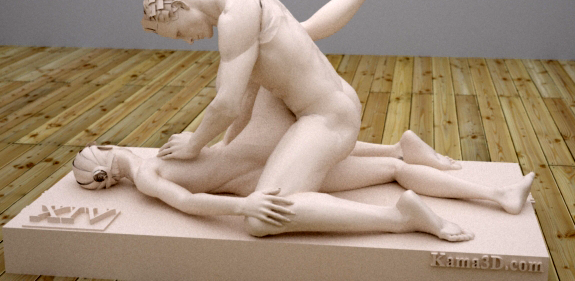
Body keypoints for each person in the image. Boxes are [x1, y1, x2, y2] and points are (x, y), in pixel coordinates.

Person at [128, 0, 534, 240]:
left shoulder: (235, 18)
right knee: (381, 168)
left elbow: (227, 104)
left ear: (180, 6)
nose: (187, 41)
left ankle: (400, 218)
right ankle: (494, 193)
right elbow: (309, 34)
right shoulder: (250, 1)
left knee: (262, 219)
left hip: (325, 119)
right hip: (323, 108)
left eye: (176, 32)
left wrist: (195, 144)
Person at [73, 141, 534, 240]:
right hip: (276, 172)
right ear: (109, 157)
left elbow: (190, 195)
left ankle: (500, 196)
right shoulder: (152, 168)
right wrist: (247, 205)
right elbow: (190, 202)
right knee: (393, 168)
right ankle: (495, 196)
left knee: (392, 169)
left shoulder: (157, 163)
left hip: (278, 170)